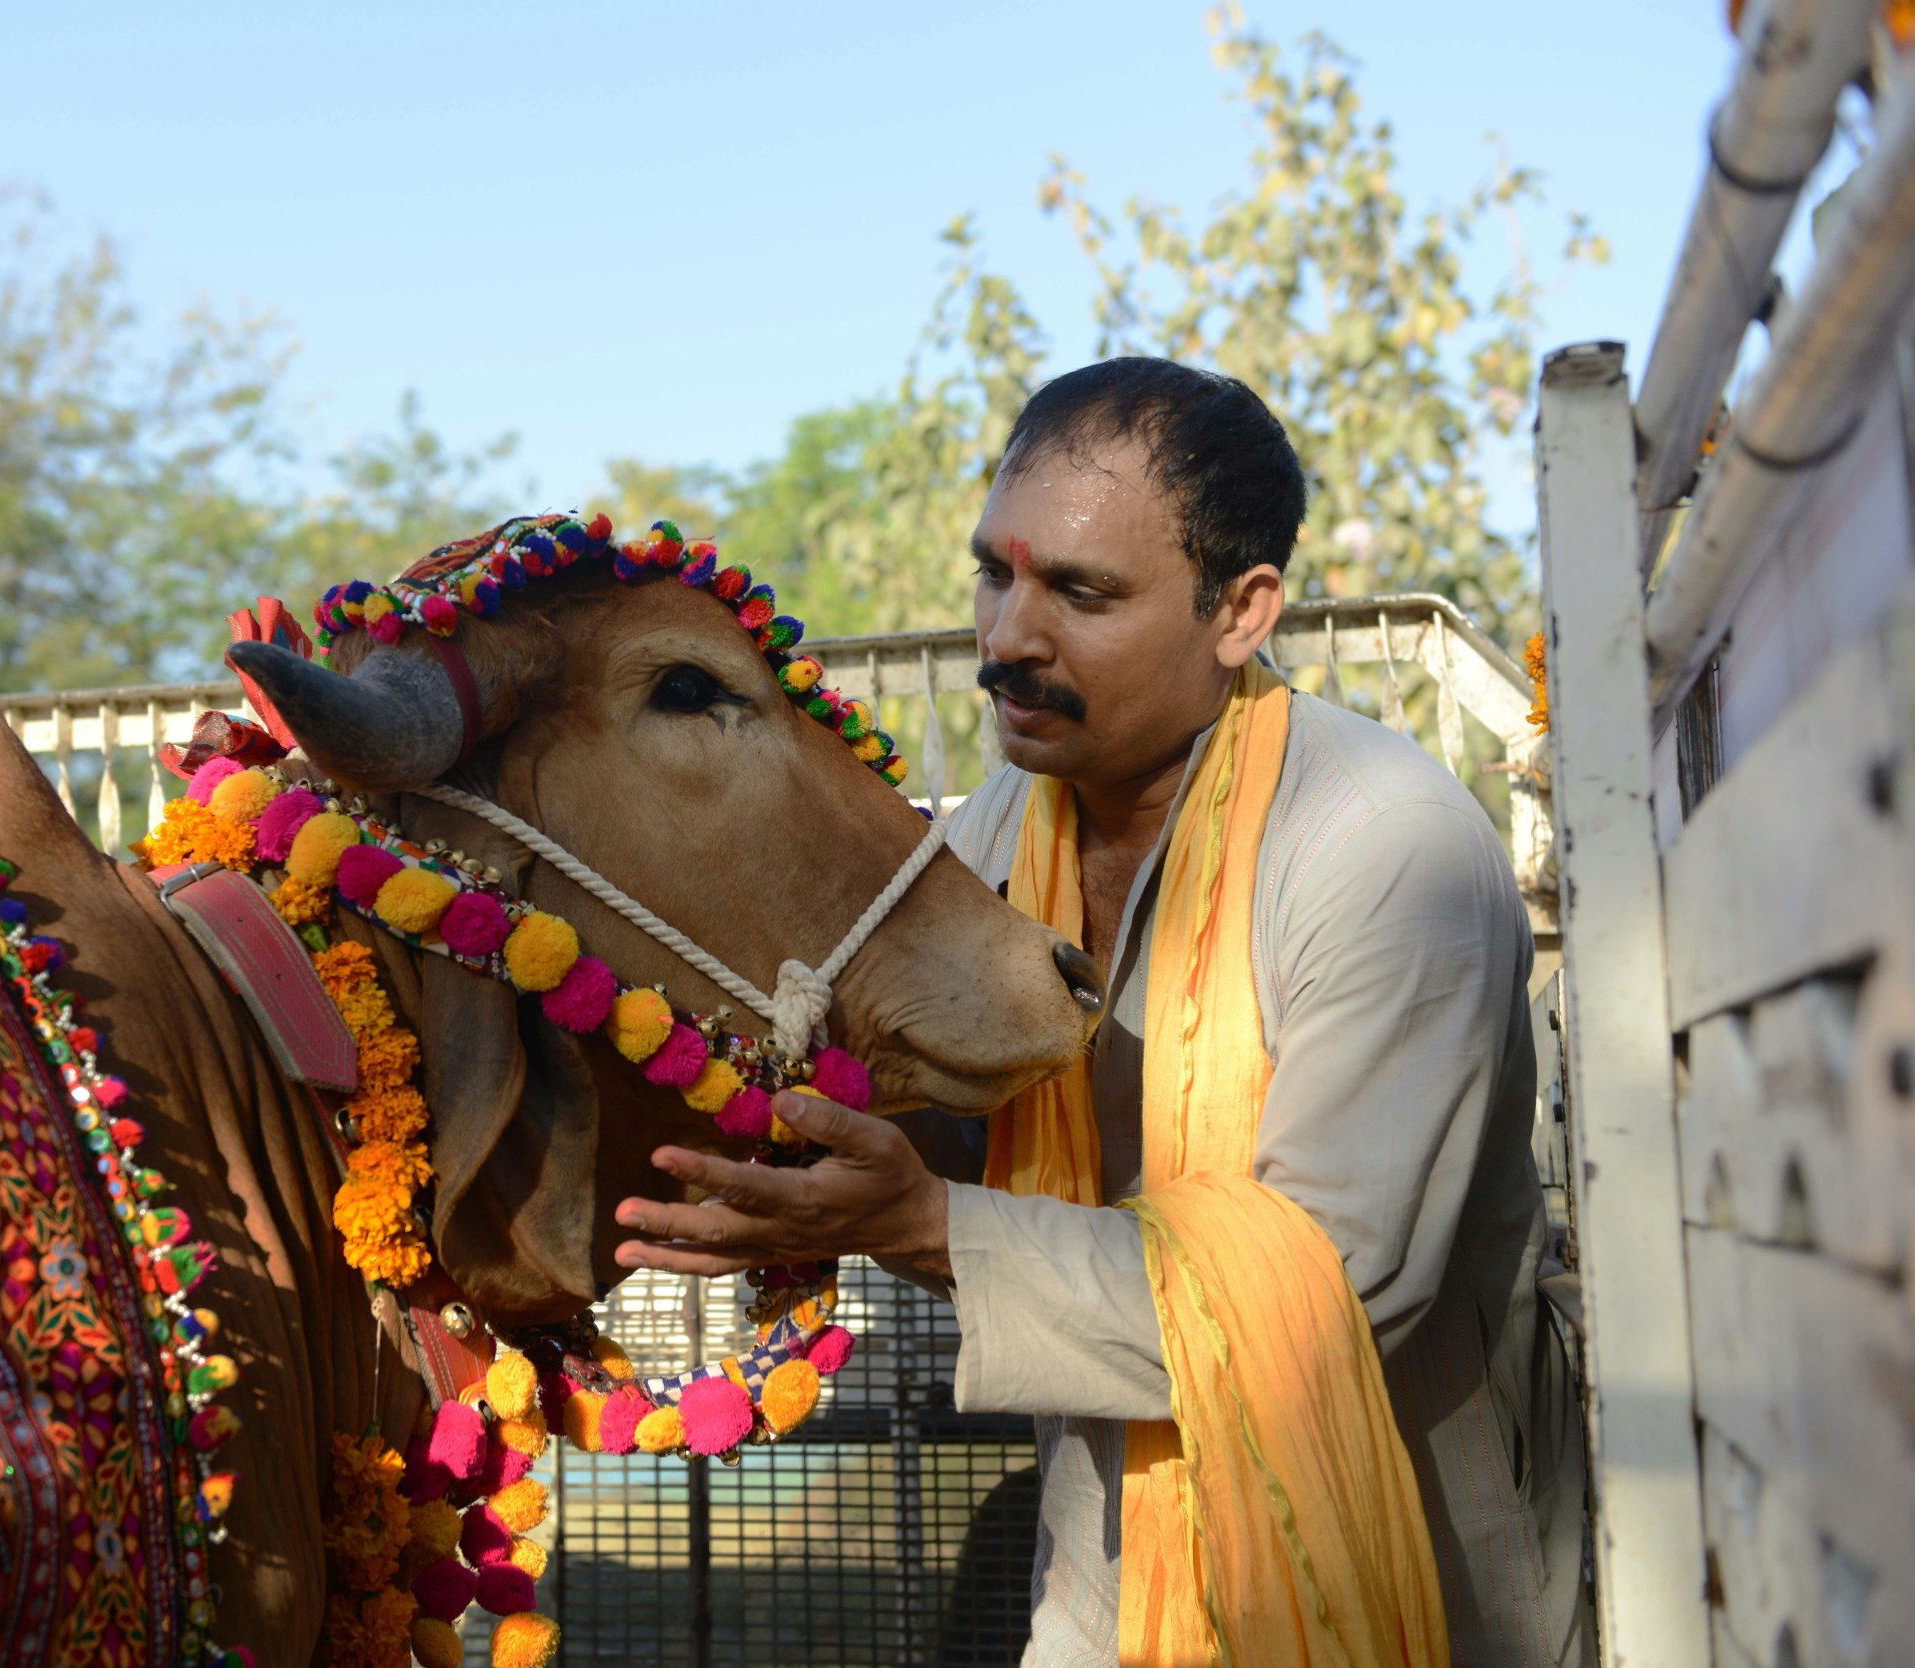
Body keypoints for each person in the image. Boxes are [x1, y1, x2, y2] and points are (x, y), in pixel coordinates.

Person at [614, 358, 1589, 1667]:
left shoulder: (1383, 842)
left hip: (1409, 1568)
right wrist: (792, 1143)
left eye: (1080, 592)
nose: (1008, 637)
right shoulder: (1013, 827)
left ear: (1240, 612)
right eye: (996, 576)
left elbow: (1336, 1297)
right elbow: (984, 1126)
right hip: (1107, 1569)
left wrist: (924, 1226)